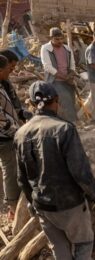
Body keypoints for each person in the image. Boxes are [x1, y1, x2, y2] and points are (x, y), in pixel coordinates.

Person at [14, 81, 95, 260]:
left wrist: (32, 202)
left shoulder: (21, 134)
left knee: (59, 247)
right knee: (83, 243)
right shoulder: (64, 129)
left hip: (43, 205)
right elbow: (81, 172)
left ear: (31, 104)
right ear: (56, 101)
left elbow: (22, 178)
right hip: (70, 204)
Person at [40, 27, 78, 123]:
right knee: (65, 101)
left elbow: (72, 65)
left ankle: (69, 122)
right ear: (51, 38)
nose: (60, 41)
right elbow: (47, 66)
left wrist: (71, 75)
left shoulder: (67, 49)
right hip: (54, 81)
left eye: (61, 38)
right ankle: (71, 124)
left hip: (68, 80)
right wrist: (65, 77)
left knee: (71, 101)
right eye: (57, 39)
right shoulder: (46, 48)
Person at [0, 55, 21, 221]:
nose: (10, 71)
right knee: (10, 170)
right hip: (4, 138)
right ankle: (13, 207)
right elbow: (1, 121)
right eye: (8, 69)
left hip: (9, 133)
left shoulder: (4, 84)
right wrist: (17, 131)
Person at [0, 49, 32, 122]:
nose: (13, 69)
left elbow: (12, 102)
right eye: (11, 66)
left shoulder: (6, 81)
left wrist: (20, 113)